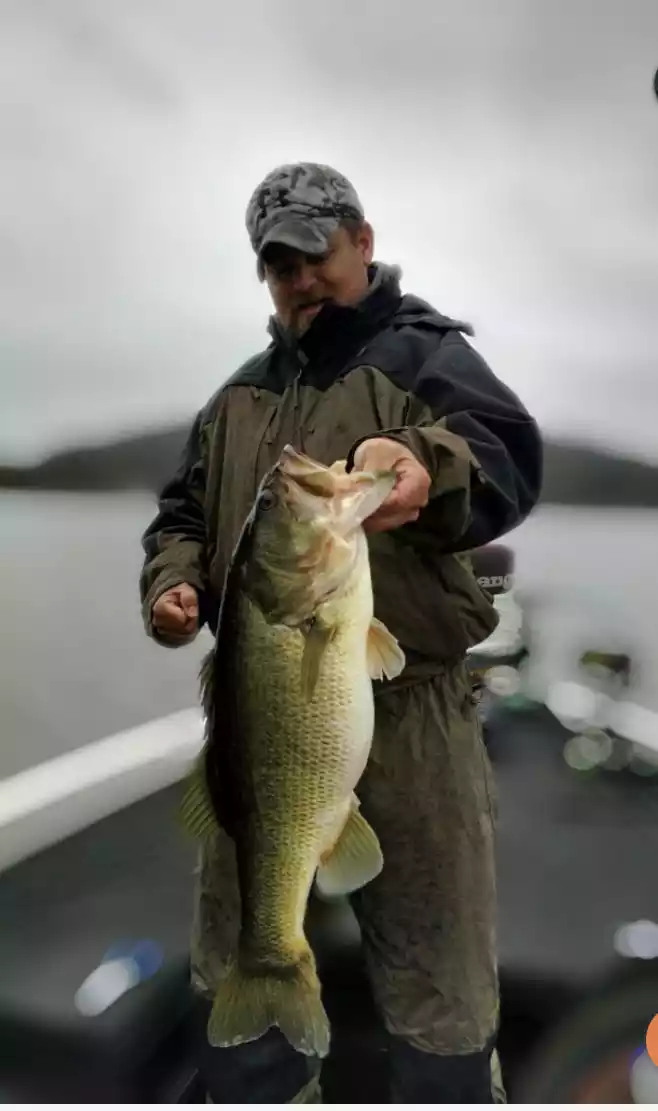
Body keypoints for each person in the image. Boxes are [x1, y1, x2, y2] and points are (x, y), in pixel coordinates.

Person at [139, 162, 543, 1103]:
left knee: (438, 978)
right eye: (280, 265)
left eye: (315, 254)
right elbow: (183, 520)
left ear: (361, 241)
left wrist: (426, 467)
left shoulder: (427, 358)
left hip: (416, 723)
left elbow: (503, 455)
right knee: (241, 946)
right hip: (261, 713)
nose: (301, 280)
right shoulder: (239, 397)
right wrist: (173, 585)